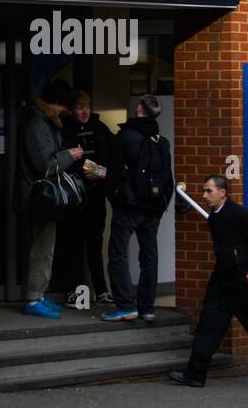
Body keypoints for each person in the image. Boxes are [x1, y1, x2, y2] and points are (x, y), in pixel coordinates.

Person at [169, 175, 248, 389]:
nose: (204, 196)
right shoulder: (214, 217)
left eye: (209, 191)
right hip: (221, 281)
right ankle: (195, 374)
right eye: (203, 191)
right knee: (208, 326)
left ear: (222, 192)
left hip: (243, 283)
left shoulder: (239, 214)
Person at [100, 94, 173, 323]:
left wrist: (115, 197)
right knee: (149, 256)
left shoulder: (125, 136)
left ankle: (125, 306)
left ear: (140, 108)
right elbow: (167, 179)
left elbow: (114, 173)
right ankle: (147, 308)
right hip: (154, 208)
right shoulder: (162, 141)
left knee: (117, 253)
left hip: (129, 206)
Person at [15, 80, 83, 319]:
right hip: (38, 197)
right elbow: (45, 164)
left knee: (45, 247)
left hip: (41, 197)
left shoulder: (42, 121)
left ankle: (39, 294)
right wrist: (69, 155)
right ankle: (34, 298)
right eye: (65, 107)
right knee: (42, 248)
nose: (67, 112)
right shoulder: (38, 124)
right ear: (57, 103)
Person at [60, 90, 114, 308]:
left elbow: (112, 154)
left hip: (95, 196)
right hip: (73, 196)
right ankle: (75, 291)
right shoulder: (65, 130)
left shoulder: (100, 129)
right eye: (79, 107)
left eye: (87, 107)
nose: (84, 111)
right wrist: (95, 168)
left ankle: (101, 290)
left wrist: (102, 171)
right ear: (71, 110)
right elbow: (66, 158)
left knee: (94, 244)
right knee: (73, 245)